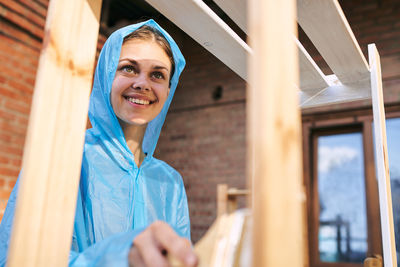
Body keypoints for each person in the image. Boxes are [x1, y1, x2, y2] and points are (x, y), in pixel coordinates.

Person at [0, 19, 198, 267]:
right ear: (105, 75)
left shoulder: (170, 181)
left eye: (157, 74)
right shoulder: (62, 156)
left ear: (169, 90)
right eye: (128, 68)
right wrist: (118, 257)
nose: (142, 83)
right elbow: (15, 257)